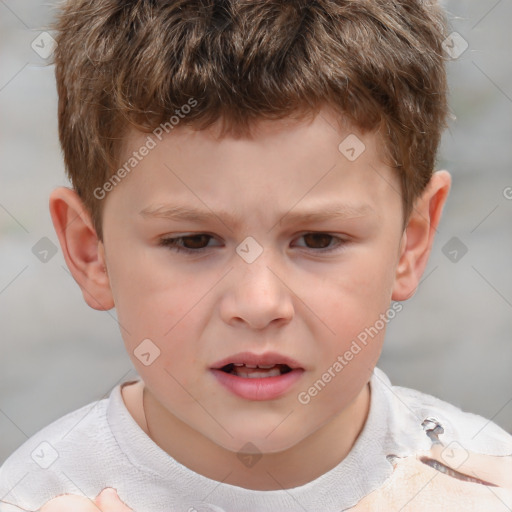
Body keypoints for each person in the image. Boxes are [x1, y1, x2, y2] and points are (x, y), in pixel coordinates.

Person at [1, 0, 511, 510]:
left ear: (411, 243)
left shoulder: (489, 488)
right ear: (91, 253)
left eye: (317, 240)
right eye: (193, 241)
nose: (260, 303)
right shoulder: (29, 494)